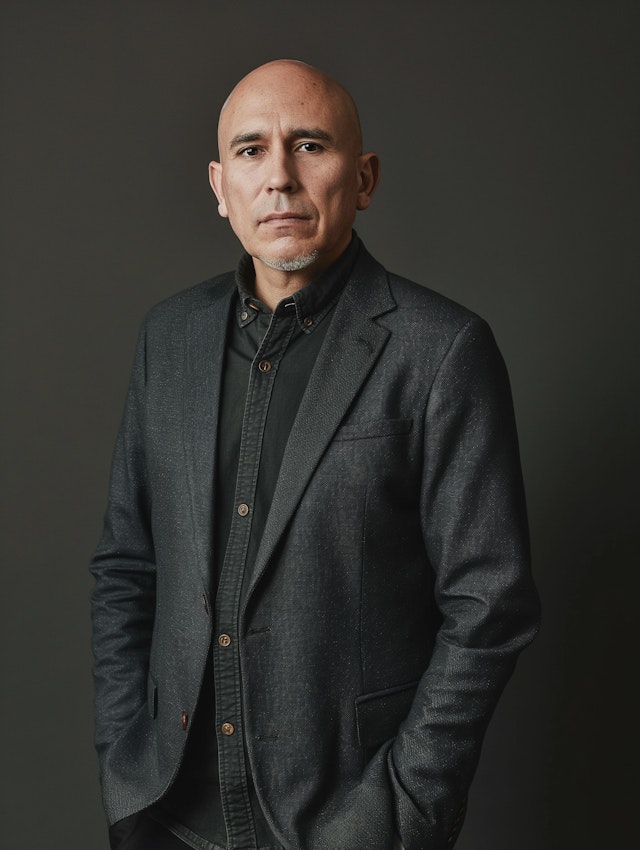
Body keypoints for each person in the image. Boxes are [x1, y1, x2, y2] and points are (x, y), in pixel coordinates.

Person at [90, 59, 540, 850]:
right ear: (220, 185)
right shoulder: (170, 338)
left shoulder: (442, 351)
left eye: (309, 145)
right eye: (251, 150)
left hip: (345, 823)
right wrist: (127, 772)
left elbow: (489, 606)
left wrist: (397, 813)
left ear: (363, 178)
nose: (280, 178)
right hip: (169, 820)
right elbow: (127, 565)